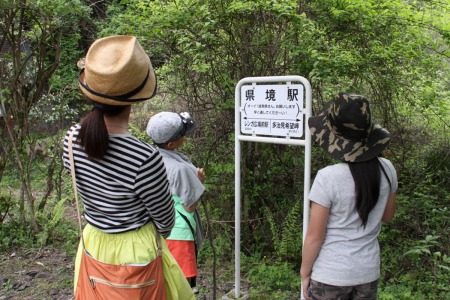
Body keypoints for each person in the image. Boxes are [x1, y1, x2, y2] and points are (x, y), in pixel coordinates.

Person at [62, 35, 194, 299]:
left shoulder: (70, 139)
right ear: (135, 97)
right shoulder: (144, 157)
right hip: (136, 251)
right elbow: (165, 221)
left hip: (94, 242)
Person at [300, 92, 398, 300]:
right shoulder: (388, 169)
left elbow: (315, 236)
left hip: (330, 275)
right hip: (367, 272)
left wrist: (304, 273)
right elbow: (388, 216)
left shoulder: (328, 178)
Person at [146, 111, 206, 294]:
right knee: (185, 285)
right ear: (171, 143)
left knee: (164, 282)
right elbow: (189, 206)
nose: (186, 137)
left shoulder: (149, 157)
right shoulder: (180, 168)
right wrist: (199, 182)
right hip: (179, 233)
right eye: (183, 134)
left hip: (156, 230)